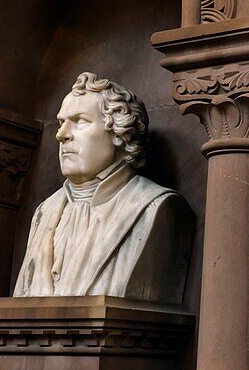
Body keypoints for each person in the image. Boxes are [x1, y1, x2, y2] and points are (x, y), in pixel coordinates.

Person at [15, 72, 192, 304]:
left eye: (79, 121)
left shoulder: (155, 207)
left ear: (120, 132)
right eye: (61, 123)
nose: (61, 134)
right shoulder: (43, 212)